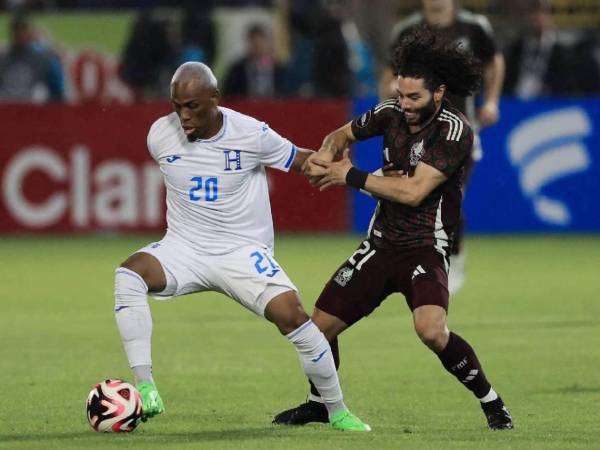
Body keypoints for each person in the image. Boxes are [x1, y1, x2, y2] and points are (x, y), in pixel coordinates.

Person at [272, 26, 513, 431]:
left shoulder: (455, 132)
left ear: (438, 93)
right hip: (381, 245)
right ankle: (318, 403)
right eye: (400, 94)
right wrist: (326, 156)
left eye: (414, 97)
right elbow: (340, 134)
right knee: (317, 330)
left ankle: (491, 401)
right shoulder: (390, 113)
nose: (405, 104)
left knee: (431, 331)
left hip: (425, 247)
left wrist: (349, 175)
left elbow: (415, 191)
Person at [113, 62, 370, 432]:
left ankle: (337, 410)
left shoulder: (250, 133)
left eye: (192, 107)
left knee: (293, 315)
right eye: (176, 107)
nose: (183, 116)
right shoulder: (159, 135)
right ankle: (145, 388)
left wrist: (336, 166)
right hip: (183, 248)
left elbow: (298, 160)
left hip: (241, 252)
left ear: (214, 99)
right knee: (128, 275)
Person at [380, 0, 505, 294]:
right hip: (416, 134)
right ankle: (418, 263)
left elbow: (494, 61)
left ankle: (454, 259)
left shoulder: (473, 27)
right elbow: (389, 75)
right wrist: (389, 100)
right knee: (413, 200)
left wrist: (492, 100)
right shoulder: (407, 29)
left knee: (449, 199)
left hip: (459, 132)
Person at [503, 0, 576, 98]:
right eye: (532, 13)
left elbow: (566, 84)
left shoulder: (560, 50)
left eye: (541, 13)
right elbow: (507, 79)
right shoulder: (517, 48)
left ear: (549, 16)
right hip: (517, 100)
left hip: (547, 102)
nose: (536, 18)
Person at [0, 13, 65, 103]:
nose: (20, 34)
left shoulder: (45, 59)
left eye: (23, 30)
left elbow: (57, 93)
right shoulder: (3, 58)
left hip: (35, 112)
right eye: (17, 30)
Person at [223, 23, 286, 98]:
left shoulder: (279, 69)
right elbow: (228, 95)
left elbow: (287, 93)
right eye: (254, 43)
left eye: (260, 42)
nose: (257, 47)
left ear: (267, 43)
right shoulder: (237, 69)